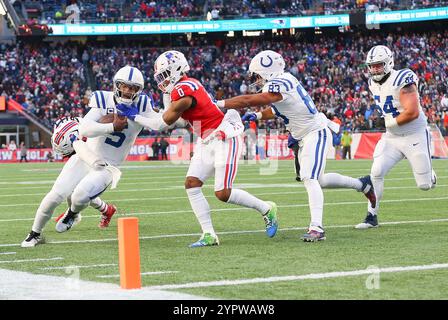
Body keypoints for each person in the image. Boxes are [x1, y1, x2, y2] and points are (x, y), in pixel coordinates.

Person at [117, 50, 278, 247]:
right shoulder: (185, 85)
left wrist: (134, 115)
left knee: (223, 193)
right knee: (192, 183)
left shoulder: (183, 90)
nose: (163, 80)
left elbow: (164, 124)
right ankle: (209, 234)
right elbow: (174, 120)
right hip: (207, 137)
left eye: (165, 75)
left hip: (223, 136)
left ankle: (266, 208)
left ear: (176, 70)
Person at [215, 50, 376, 242]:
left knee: (309, 178)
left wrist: (220, 103)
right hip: (304, 135)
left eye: (257, 76)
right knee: (319, 180)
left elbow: (251, 100)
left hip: (315, 131)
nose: (256, 80)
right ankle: (362, 184)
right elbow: (275, 109)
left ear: (268, 71)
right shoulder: (282, 83)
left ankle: (317, 227)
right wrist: (258, 116)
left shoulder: (281, 82)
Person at [21, 66, 158, 247]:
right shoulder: (103, 98)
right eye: (123, 86)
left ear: (138, 90)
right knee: (55, 196)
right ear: (116, 85)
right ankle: (35, 233)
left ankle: (72, 214)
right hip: (86, 155)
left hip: (108, 167)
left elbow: (160, 123)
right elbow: (85, 128)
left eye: (132, 88)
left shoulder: (143, 105)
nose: (127, 91)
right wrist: (112, 126)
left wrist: (150, 114)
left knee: (79, 196)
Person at [355, 45, 437, 229]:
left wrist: (389, 123)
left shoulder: (402, 78)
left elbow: (413, 112)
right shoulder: (371, 83)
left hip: (414, 134)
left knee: (425, 186)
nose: (375, 69)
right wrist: (388, 125)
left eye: (379, 65)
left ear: (389, 62)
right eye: (372, 65)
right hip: (392, 138)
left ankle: (430, 175)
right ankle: (371, 216)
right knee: (376, 172)